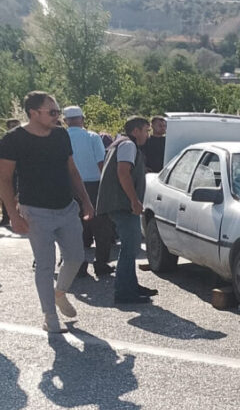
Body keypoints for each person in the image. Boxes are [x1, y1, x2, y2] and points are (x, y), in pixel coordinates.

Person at [0, 91, 97, 333]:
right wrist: (13, 214)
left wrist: (85, 200)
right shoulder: (13, 139)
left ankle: (59, 292)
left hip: (66, 207)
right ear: (34, 113)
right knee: (45, 265)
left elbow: (73, 171)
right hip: (36, 211)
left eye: (58, 112)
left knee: (76, 257)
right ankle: (50, 317)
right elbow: (4, 178)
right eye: (52, 112)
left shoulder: (61, 135)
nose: (58, 116)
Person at [97, 116, 158, 305]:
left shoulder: (120, 143)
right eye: (146, 130)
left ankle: (130, 285)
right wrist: (134, 200)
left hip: (119, 203)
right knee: (130, 247)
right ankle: (124, 291)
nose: (147, 135)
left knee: (130, 247)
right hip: (122, 204)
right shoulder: (128, 145)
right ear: (136, 131)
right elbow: (123, 172)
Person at [63, 105, 113, 278]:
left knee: (74, 227)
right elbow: (102, 163)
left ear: (65, 121)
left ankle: (78, 265)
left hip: (68, 186)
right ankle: (101, 264)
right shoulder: (92, 136)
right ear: (82, 119)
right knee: (102, 227)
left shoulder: (60, 138)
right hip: (93, 185)